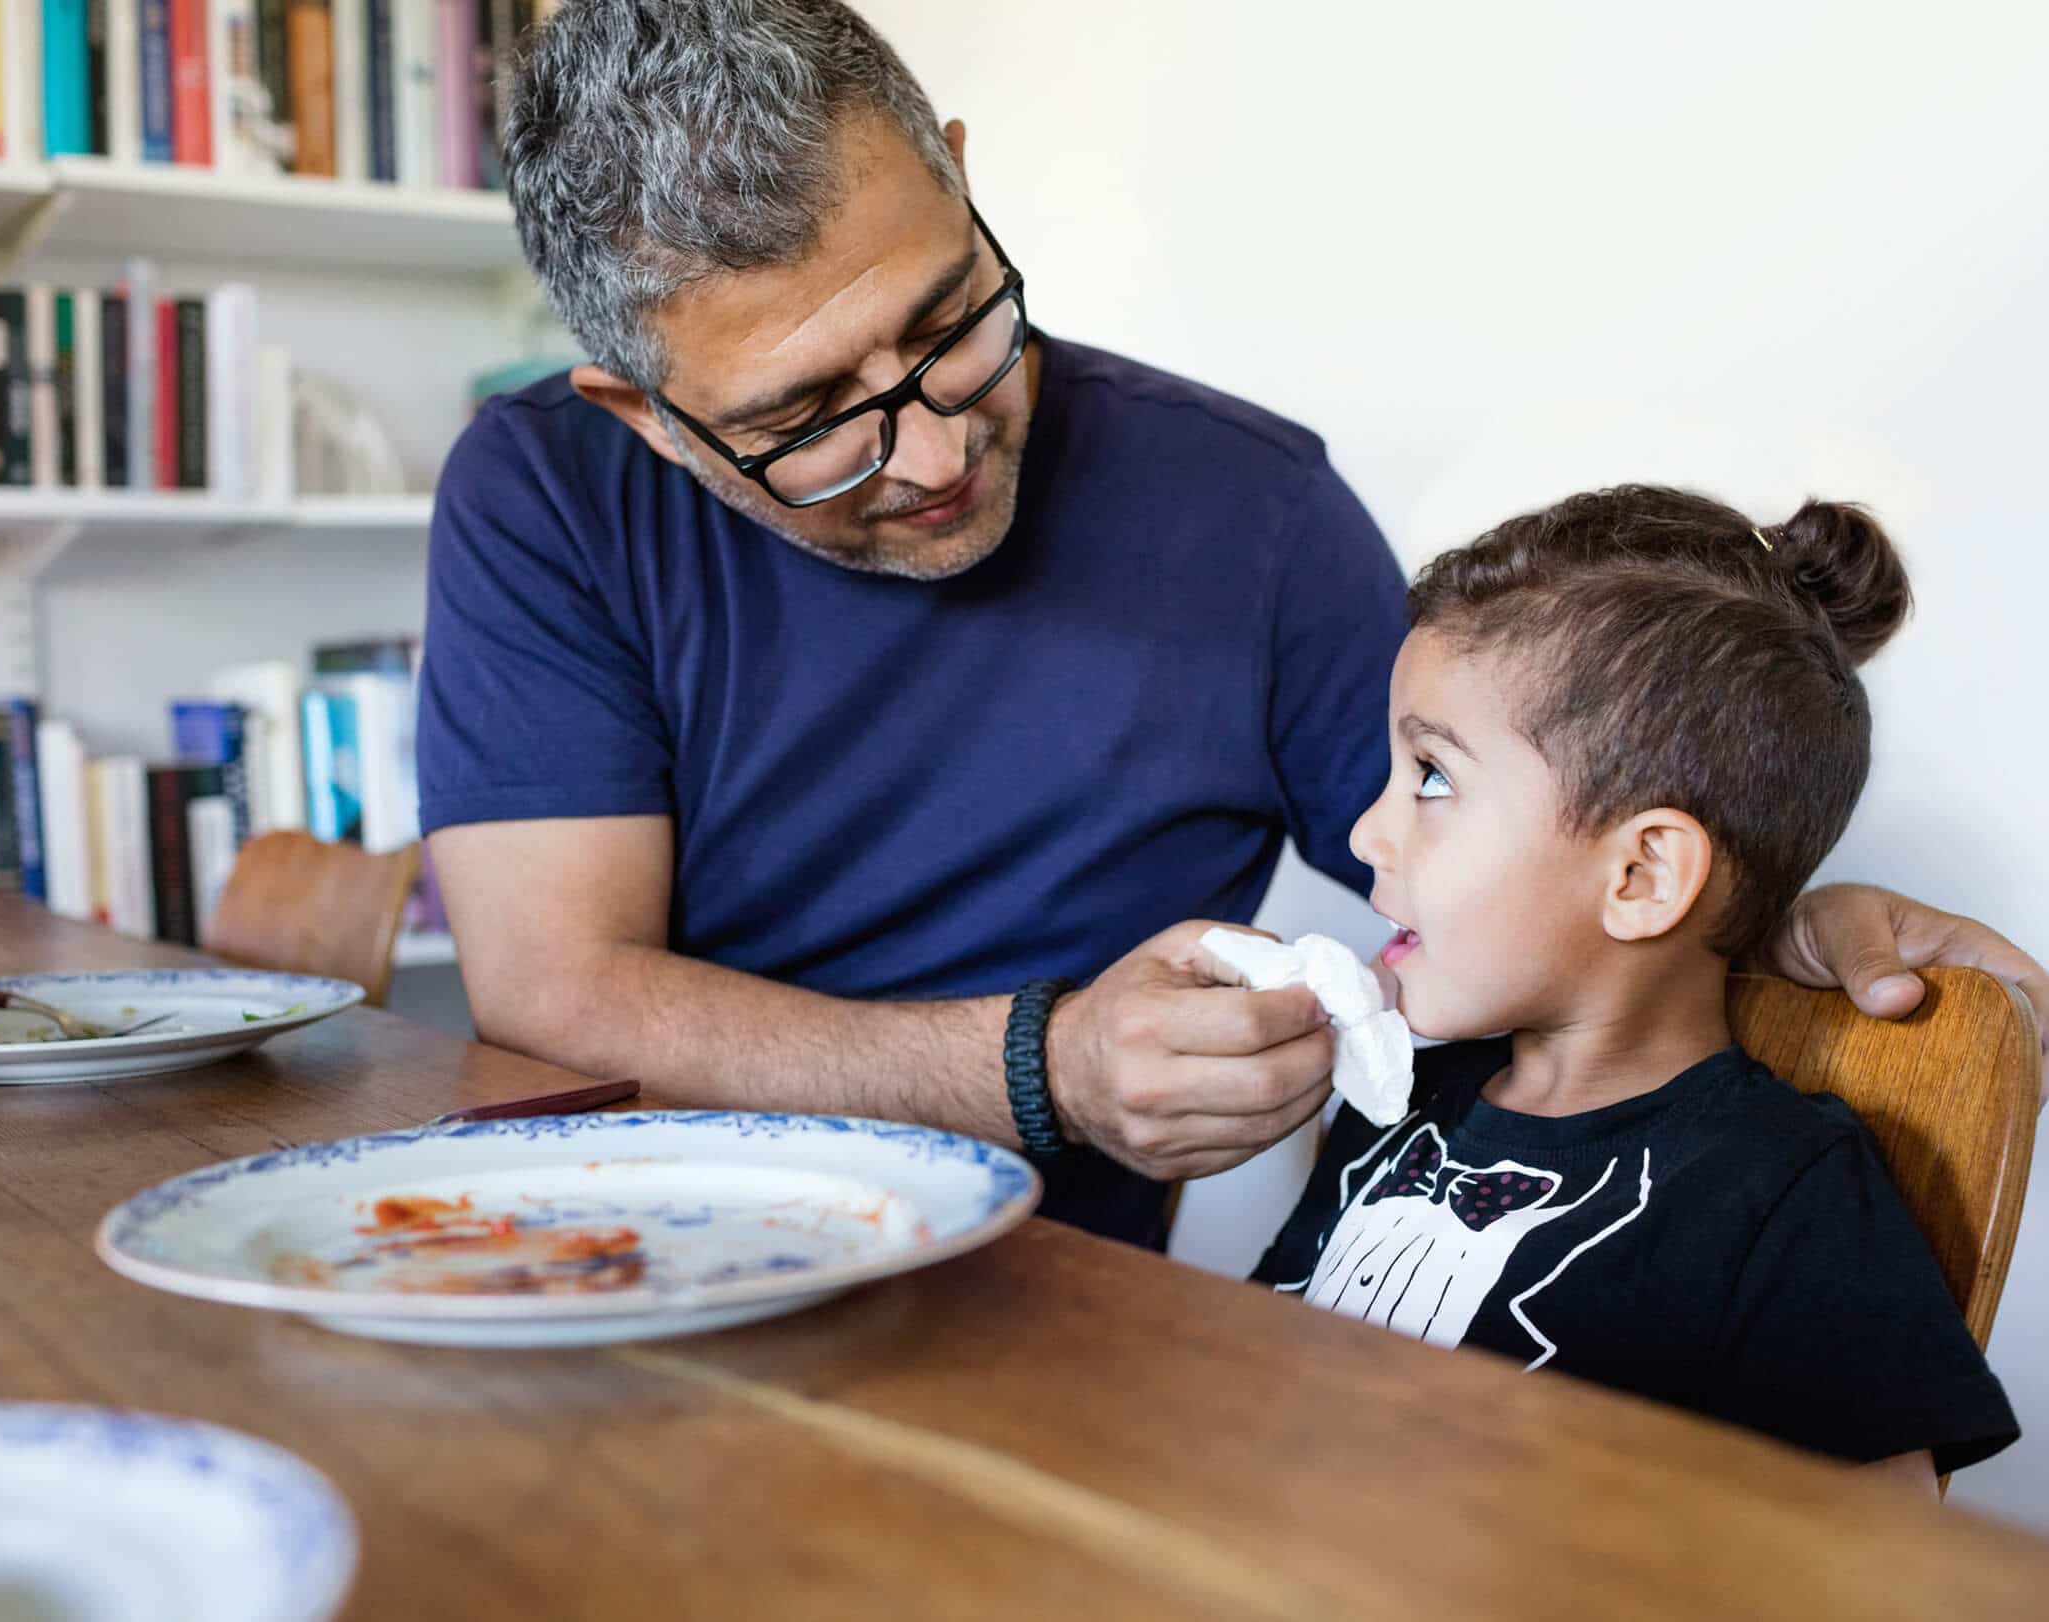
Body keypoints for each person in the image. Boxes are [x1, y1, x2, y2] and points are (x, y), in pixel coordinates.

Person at [416, 0, 2047, 1249]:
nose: (926, 451)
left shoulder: (1253, 514)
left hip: (1050, 1348)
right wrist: (1035, 1068)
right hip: (610, 1260)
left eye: (946, 321)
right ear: (637, 413)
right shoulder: (542, 490)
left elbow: (1513, 854)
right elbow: (552, 981)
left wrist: (1769, 905)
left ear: (964, 179)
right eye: (806, 419)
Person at [1248, 487, 2018, 1488]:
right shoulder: (1392, 1096)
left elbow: (1888, 1571)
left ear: (1640, 875)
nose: (1362, 834)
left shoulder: (1785, 1195)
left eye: (1430, 776)